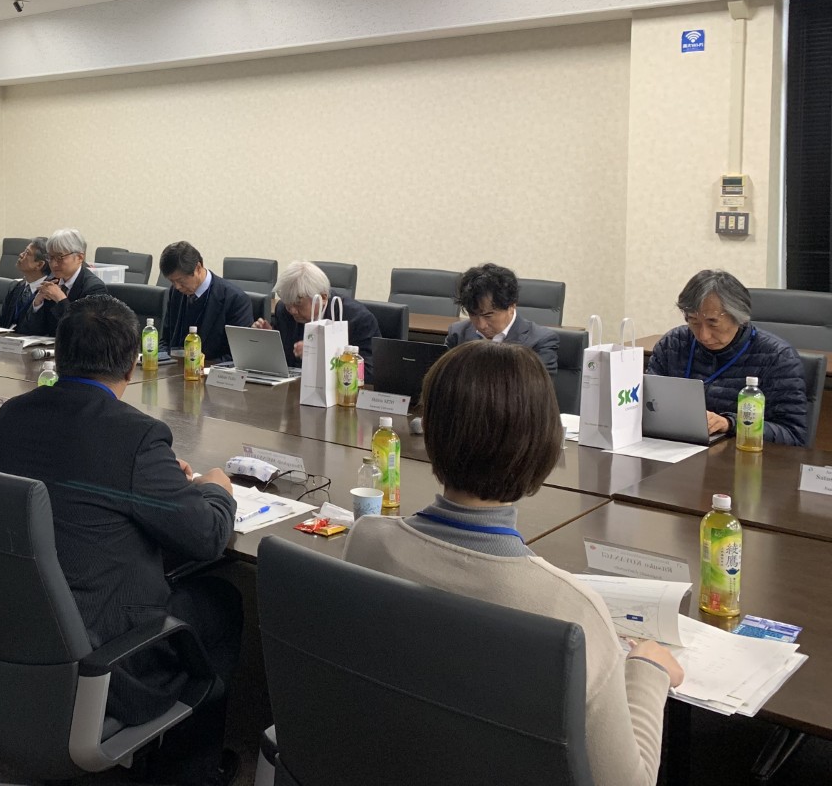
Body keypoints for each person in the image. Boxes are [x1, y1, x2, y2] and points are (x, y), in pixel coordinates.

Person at [344, 341, 680, 786]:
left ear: (430, 434)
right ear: (543, 446)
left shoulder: (367, 540)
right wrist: (649, 672)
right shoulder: (572, 609)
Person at [0, 295, 240, 786]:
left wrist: (157, 479)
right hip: (102, 653)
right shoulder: (136, 435)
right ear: (132, 364)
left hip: (16, 622)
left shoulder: (13, 414)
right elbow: (209, 536)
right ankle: (188, 773)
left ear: (60, 353)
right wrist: (215, 487)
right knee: (221, 601)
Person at [646, 269, 807, 444]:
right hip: (674, 447)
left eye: (713, 323)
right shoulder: (673, 344)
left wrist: (730, 424)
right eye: (694, 321)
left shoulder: (778, 357)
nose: (703, 335)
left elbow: (793, 435)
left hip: (739, 454)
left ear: (739, 317)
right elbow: (648, 406)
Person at [254, 260, 381, 381]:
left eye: (298, 303)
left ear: (323, 297)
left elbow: (370, 373)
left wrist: (320, 355)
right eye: (287, 302)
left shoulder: (358, 319)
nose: (292, 310)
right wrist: (270, 340)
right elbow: (287, 360)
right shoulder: (283, 310)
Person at [444, 263, 558, 374]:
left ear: (511, 306)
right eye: (473, 315)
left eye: (488, 315)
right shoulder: (457, 334)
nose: (481, 325)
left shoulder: (540, 341)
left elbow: (539, 386)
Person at [159, 241, 255, 365]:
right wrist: (160, 359)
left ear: (198, 268)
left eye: (180, 280)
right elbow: (165, 340)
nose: (177, 286)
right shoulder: (176, 292)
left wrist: (202, 367)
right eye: (172, 282)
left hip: (210, 372)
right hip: (173, 369)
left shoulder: (235, 300)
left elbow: (236, 356)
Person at [16, 228, 106, 337]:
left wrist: (61, 299)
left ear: (79, 257)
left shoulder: (94, 288)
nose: (53, 264)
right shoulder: (51, 282)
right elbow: (29, 331)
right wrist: (37, 304)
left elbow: (86, 332)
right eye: (50, 257)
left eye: (60, 258)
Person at [0, 237, 52, 331]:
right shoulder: (15, 287)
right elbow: (0, 322)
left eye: (27, 253)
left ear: (39, 265)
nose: (21, 255)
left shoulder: (49, 292)